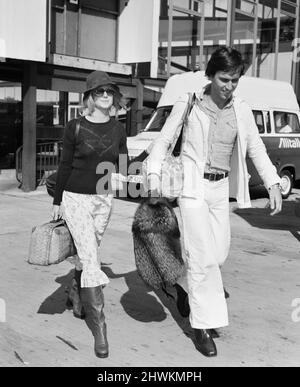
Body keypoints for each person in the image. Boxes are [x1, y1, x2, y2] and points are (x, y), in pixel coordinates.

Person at [146, 46, 282, 357]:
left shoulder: (241, 109)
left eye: (235, 80)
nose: (229, 86)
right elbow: (164, 140)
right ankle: (201, 325)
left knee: (217, 255)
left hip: (220, 188)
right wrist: (153, 178)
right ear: (210, 75)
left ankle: (183, 288)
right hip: (192, 185)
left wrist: (273, 182)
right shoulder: (190, 103)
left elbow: (256, 148)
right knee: (203, 258)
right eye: (224, 79)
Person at [52, 70, 128, 358]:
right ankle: (100, 330)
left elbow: (123, 166)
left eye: (109, 91)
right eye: (100, 92)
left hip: (103, 200)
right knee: (92, 259)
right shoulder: (74, 127)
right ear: (89, 96)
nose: (105, 96)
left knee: (88, 254)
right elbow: (65, 165)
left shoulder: (118, 129)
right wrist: (58, 200)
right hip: (75, 199)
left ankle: (75, 291)